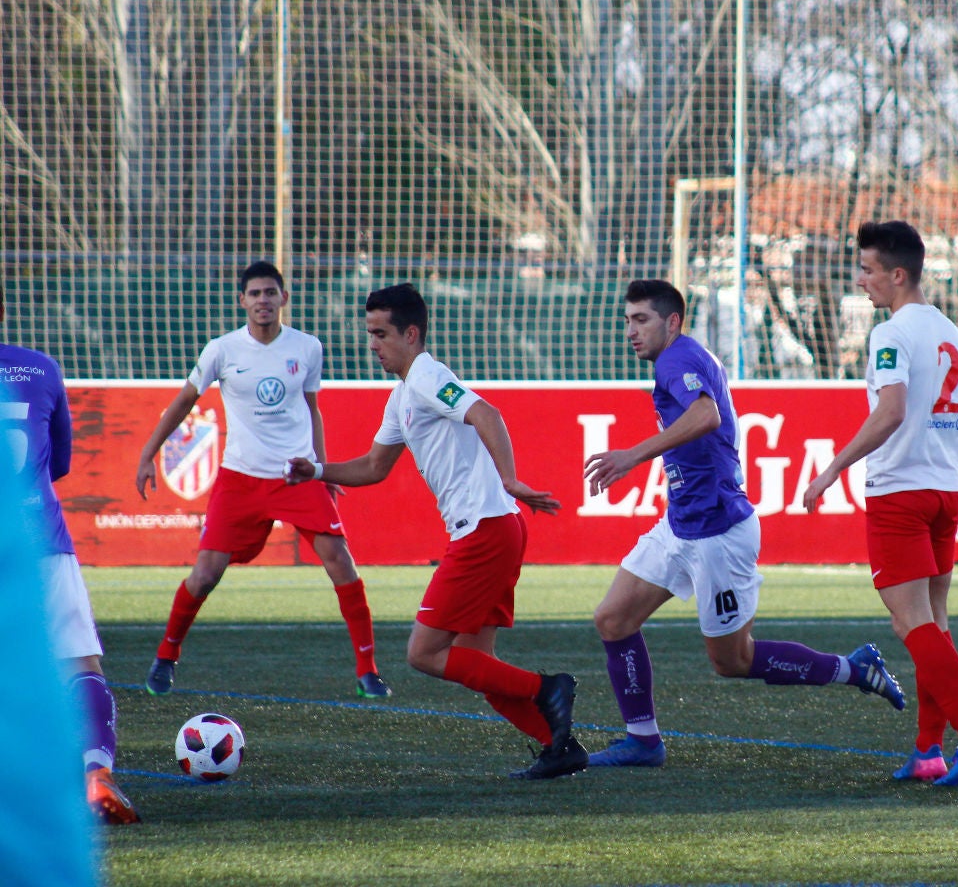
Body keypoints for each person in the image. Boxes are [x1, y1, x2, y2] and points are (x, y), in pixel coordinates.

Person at [582, 279, 906, 769]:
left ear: (672, 321)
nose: (631, 330)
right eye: (627, 320)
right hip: (682, 524)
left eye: (641, 319)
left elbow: (706, 415)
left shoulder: (676, 359)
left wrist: (632, 456)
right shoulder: (685, 356)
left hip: (718, 534)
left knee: (732, 661)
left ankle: (852, 669)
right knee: (612, 619)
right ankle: (643, 740)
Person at [284, 283, 585, 780]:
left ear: (411, 333)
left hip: (483, 530)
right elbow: (376, 466)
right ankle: (560, 746)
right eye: (369, 334)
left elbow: (486, 413)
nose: (373, 344)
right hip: (493, 528)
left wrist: (509, 478)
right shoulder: (403, 393)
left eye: (381, 334)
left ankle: (545, 688)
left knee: (424, 653)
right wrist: (317, 471)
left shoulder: (426, 375)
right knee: (474, 661)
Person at [802, 223, 958, 787]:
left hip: (899, 492)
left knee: (909, 621)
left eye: (867, 269)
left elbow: (890, 412)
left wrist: (833, 469)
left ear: (897, 274)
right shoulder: (951, 332)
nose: (860, 280)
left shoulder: (890, 333)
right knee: (934, 622)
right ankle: (927, 751)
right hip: (941, 492)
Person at [135, 261, 390, 699]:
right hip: (241, 478)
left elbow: (312, 410)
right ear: (243, 301)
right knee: (204, 574)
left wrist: (323, 470)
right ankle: (165, 657)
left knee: (341, 562)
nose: (263, 301)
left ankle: (368, 670)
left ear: (283, 298)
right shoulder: (221, 349)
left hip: (297, 475)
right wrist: (147, 454)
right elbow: (183, 401)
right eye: (254, 294)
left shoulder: (308, 347)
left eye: (270, 292)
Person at [1, 288, 139, 825]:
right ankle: (95, 775)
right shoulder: (40, 368)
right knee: (79, 664)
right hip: (40, 542)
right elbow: (57, 462)